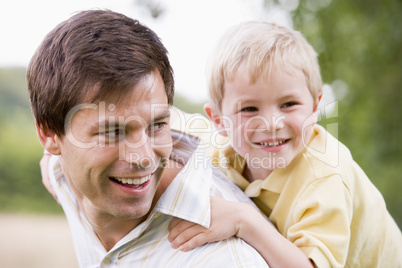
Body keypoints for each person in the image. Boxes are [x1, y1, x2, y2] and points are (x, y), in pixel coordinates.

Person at [27, 10, 269, 267]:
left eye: (157, 125)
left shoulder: (221, 258)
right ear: (49, 136)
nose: (143, 158)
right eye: (112, 132)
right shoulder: (60, 173)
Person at [167, 21, 402, 267]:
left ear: (314, 106)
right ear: (219, 120)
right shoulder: (223, 151)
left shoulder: (323, 175)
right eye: (249, 109)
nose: (271, 123)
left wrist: (243, 220)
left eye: (288, 104)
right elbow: (180, 123)